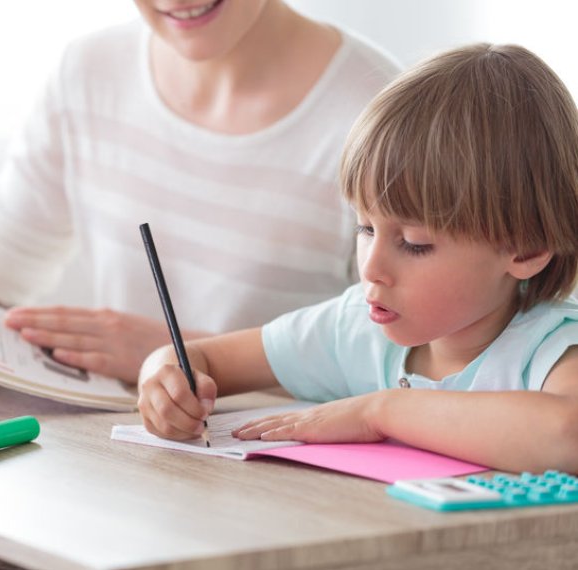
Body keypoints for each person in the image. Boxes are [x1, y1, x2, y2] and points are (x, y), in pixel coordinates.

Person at [137, 43, 578, 473]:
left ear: (527, 248)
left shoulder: (552, 348)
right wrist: (164, 380)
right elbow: (199, 359)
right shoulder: (356, 328)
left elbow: (567, 435)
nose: (370, 269)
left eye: (414, 243)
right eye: (366, 228)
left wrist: (380, 411)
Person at [0, 1, 400, 382]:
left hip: (282, 471)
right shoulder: (87, 73)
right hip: (119, 449)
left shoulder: (381, 115)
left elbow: (410, 365)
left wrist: (187, 354)